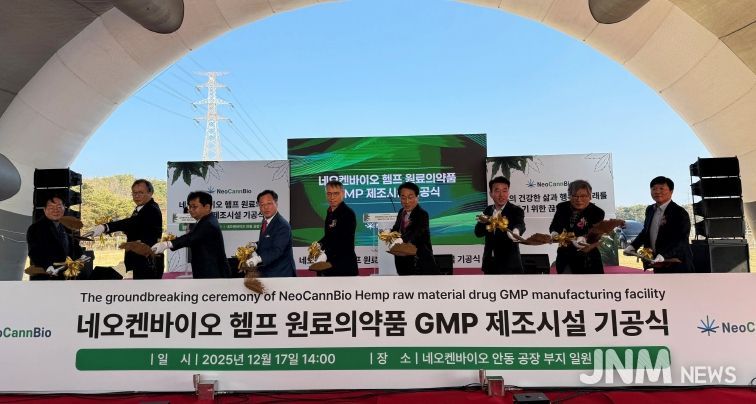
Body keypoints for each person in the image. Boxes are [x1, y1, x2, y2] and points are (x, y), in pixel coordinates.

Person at [90, 179, 163, 279]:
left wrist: (106, 227)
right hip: (140, 261)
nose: (137, 196)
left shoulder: (151, 209)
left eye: (141, 193)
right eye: (134, 193)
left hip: (148, 263)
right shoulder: (141, 209)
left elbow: (131, 222)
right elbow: (136, 228)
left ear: (150, 193)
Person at [151, 191, 230, 278]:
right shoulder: (204, 220)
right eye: (189, 206)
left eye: (194, 207)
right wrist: (173, 241)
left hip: (213, 273)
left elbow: (191, 238)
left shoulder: (208, 223)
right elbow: (194, 239)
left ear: (207, 207)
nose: (190, 210)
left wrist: (167, 244)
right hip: (207, 271)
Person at [624, 176, 694, 273]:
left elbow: (681, 239)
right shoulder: (650, 210)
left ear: (671, 191)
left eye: (661, 188)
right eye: (654, 189)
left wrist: (664, 255)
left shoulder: (679, 212)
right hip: (657, 263)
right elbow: (645, 232)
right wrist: (632, 246)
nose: (657, 192)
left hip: (677, 264)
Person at [549, 180, 605, 274]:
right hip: (565, 257)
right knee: (565, 282)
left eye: (583, 196)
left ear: (590, 196)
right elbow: (555, 226)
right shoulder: (562, 207)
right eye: (575, 196)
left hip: (587, 259)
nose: (579, 200)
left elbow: (595, 234)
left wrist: (584, 238)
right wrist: (554, 233)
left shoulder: (597, 212)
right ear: (569, 196)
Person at [475, 176, 526, 274]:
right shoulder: (488, 210)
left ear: (508, 192)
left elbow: (520, 224)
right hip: (490, 265)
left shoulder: (516, 210)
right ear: (491, 194)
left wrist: (516, 231)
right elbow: (478, 233)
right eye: (497, 191)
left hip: (510, 266)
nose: (501, 195)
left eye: (504, 191)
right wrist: (482, 223)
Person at [245, 190, 296, 277]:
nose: (266, 207)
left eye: (269, 203)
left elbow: (277, 250)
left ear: (276, 204)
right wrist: (255, 245)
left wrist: (257, 259)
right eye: (262, 205)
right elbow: (269, 240)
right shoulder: (265, 220)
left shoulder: (282, 225)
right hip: (269, 272)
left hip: (282, 273)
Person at [390, 182, 437, 275]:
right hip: (402, 262)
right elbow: (396, 228)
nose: (407, 201)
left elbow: (415, 233)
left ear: (417, 197)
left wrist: (400, 240)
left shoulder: (422, 214)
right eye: (403, 198)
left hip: (419, 263)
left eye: (410, 197)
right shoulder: (401, 212)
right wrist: (389, 235)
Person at [317, 180, 358, 276]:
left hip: (344, 267)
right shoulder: (330, 212)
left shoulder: (348, 214)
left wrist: (324, 254)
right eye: (329, 194)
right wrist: (318, 245)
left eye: (336, 193)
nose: (332, 197)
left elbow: (343, 241)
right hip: (329, 266)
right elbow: (329, 236)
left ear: (343, 193)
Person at [26, 196, 71, 280]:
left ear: (64, 208)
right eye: (51, 207)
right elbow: (34, 252)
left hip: (62, 276)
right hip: (44, 276)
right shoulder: (35, 228)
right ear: (44, 209)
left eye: (59, 207)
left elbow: (70, 248)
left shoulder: (64, 227)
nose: (55, 210)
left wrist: (80, 257)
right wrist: (47, 266)